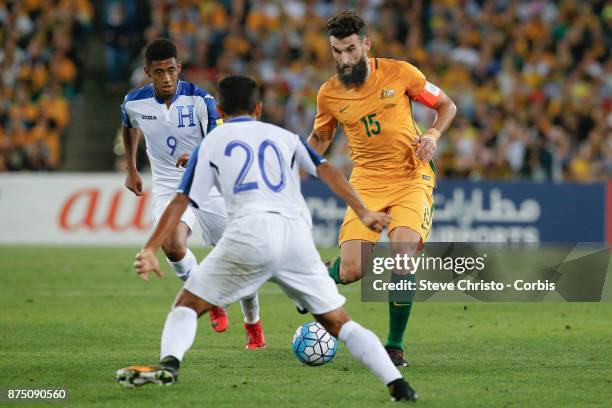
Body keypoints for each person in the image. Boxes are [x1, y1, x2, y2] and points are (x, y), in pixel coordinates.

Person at [115, 75, 418, 401]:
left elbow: (180, 202)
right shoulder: (284, 135)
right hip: (295, 239)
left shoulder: (211, 143)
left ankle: (170, 365)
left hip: (249, 235)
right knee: (339, 323)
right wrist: (363, 211)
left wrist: (149, 248)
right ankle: (398, 385)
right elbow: (327, 170)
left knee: (187, 305)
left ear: (218, 108)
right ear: (258, 107)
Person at [308, 11, 457, 367]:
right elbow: (320, 138)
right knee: (351, 271)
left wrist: (433, 134)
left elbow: (446, 105)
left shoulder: (401, 72)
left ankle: (394, 346)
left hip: (411, 177)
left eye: (350, 49)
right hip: (366, 183)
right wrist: (289, 163)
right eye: (336, 51)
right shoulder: (329, 94)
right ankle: (316, 280)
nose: (344, 59)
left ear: (366, 44)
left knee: (403, 254)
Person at [120, 38, 265, 348]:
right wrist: (132, 167)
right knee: (172, 245)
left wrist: (199, 153)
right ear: (148, 72)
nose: (167, 78)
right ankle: (212, 300)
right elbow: (128, 124)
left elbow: (219, 136)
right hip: (170, 185)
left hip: (211, 183)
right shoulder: (134, 102)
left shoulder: (201, 100)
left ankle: (253, 325)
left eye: (171, 71)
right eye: (159, 72)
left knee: (240, 256)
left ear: (179, 68)